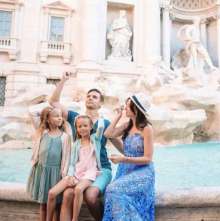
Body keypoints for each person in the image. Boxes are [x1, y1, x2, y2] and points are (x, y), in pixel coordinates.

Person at [48, 72, 122, 221]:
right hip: (80, 170)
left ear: (100, 104)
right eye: (88, 96)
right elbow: (54, 102)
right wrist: (63, 79)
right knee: (68, 194)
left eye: (94, 97)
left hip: (102, 170)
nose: (90, 98)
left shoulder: (105, 124)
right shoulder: (76, 118)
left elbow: (122, 147)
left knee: (90, 196)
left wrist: (134, 159)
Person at [102, 93, 155, 221]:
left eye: (127, 105)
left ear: (135, 109)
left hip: (143, 172)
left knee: (112, 189)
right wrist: (118, 116)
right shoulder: (127, 125)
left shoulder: (147, 128)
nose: (125, 108)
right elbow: (108, 134)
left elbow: (148, 158)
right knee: (114, 193)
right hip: (126, 170)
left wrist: (122, 159)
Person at [46, 115, 106, 221]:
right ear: (76, 128)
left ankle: (74, 219)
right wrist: (70, 175)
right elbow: (72, 163)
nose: (82, 128)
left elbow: (101, 127)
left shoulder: (95, 139)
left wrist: (100, 118)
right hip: (76, 173)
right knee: (51, 193)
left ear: (91, 126)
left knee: (78, 189)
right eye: (79, 126)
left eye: (85, 126)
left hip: (89, 173)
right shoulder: (76, 144)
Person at [26, 107, 72, 221]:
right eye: (56, 116)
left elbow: (66, 158)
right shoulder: (42, 132)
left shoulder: (65, 137)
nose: (60, 118)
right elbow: (32, 112)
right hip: (41, 171)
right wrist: (48, 110)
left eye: (60, 115)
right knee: (43, 204)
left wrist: (64, 174)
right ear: (47, 119)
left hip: (56, 173)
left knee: (56, 205)